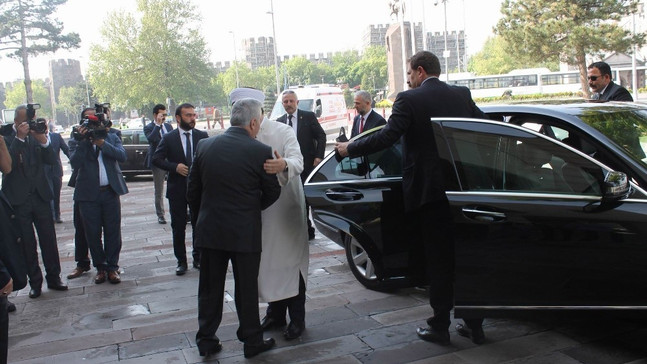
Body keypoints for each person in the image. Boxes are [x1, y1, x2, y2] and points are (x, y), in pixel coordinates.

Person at [336, 51, 487, 345]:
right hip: (464, 192)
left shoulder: (409, 99)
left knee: (438, 261)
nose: (408, 80)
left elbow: (386, 137)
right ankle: (474, 324)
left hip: (429, 194)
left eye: (409, 74)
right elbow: (482, 127)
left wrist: (349, 149)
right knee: (464, 259)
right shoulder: (461, 94)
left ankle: (440, 325)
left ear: (419, 71)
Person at [188, 97, 281, 358]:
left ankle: (206, 340)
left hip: (210, 231)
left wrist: (203, 219)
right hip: (245, 232)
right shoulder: (260, 150)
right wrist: (250, 211)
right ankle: (252, 341)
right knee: (246, 288)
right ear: (253, 122)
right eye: (259, 123)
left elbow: (192, 191)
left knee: (209, 289)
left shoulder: (204, 146)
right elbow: (273, 192)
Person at [230, 88, 309, 340]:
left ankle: (297, 319)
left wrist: (283, 164)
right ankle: (275, 314)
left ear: (257, 116)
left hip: (286, 210)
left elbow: (298, 160)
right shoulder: (239, 134)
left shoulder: (282, 131)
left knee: (290, 264)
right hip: (260, 212)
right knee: (267, 266)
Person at [2, 105, 68, 298]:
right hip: (19, 199)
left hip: (40, 196)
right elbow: (8, 166)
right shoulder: (6, 137)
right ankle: (35, 282)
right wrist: (19, 138)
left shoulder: (37, 134)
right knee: (27, 244)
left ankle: (54, 278)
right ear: (16, 121)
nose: (29, 124)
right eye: (25, 121)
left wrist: (44, 142)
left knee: (48, 239)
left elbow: (52, 160)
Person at [69, 112, 128, 285]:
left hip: (110, 191)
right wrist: (86, 142)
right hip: (87, 194)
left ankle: (112, 267)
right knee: (92, 234)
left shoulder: (111, 136)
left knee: (113, 231)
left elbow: (121, 156)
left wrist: (102, 143)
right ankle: (100, 268)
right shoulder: (77, 139)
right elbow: (74, 163)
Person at [152, 103, 208, 275]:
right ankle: (181, 261)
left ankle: (198, 257)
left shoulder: (202, 136)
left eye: (193, 115)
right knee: (178, 226)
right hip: (177, 189)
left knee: (200, 225)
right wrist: (174, 167)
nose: (192, 118)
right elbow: (156, 159)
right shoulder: (169, 138)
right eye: (188, 115)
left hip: (199, 189)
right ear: (178, 118)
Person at [276, 90, 326, 240]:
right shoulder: (279, 121)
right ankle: (301, 227)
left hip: (307, 164)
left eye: (291, 101)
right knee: (293, 197)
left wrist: (318, 157)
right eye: (285, 102)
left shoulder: (308, 116)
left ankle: (307, 228)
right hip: (288, 167)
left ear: (297, 102)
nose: (289, 104)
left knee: (305, 197)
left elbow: (321, 136)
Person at [143, 104, 173, 224]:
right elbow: (151, 139)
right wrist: (157, 125)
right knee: (159, 190)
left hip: (170, 160)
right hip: (158, 161)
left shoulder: (169, 126)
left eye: (165, 114)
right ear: (155, 115)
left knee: (175, 186)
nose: (164, 117)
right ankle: (160, 214)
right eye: (162, 115)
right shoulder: (149, 127)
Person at [44, 119, 70, 223]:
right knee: (48, 193)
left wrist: (74, 160)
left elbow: (66, 149)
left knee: (56, 193)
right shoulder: (35, 138)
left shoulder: (56, 136)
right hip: (43, 171)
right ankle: (51, 216)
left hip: (56, 170)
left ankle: (57, 215)